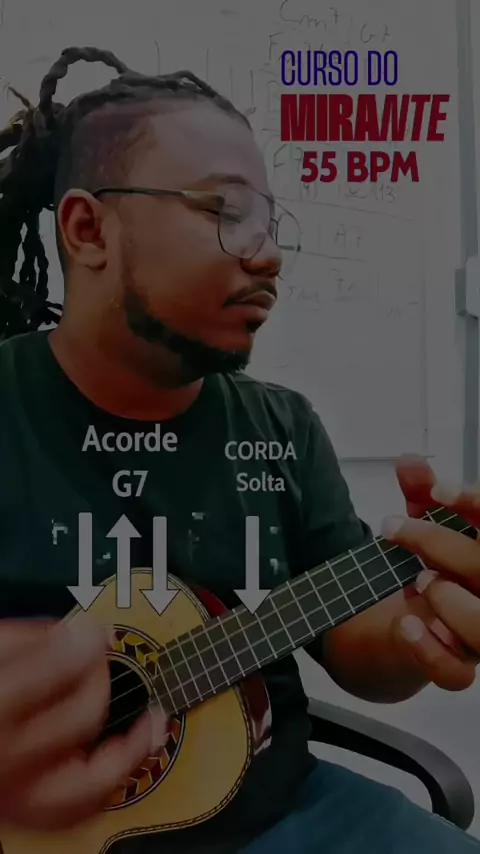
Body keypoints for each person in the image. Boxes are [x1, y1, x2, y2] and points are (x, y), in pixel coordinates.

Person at [0, 46, 478, 854]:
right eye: (223, 211)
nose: (267, 255)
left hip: (283, 816)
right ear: (88, 230)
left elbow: (355, 643)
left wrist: (421, 630)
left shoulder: (281, 428)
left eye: (269, 224)